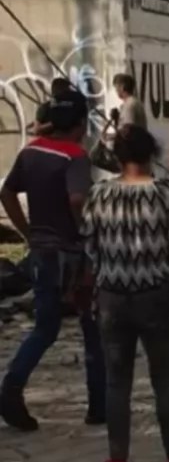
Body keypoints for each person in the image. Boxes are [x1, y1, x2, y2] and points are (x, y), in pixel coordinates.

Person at [81, 125, 169, 462]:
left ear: (117, 156)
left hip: (112, 297)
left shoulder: (100, 193)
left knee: (117, 380)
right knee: (164, 379)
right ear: (152, 152)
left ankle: (118, 457)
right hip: (157, 295)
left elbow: (89, 242)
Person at [0, 90, 105, 431]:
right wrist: (87, 233)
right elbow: (77, 198)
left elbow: (6, 192)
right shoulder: (75, 156)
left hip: (42, 251)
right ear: (78, 124)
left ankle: (13, 385)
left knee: (45, 328)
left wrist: (26, 232)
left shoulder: (31, 152)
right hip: (73, 255)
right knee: (93, 328)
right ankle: (98, 405)